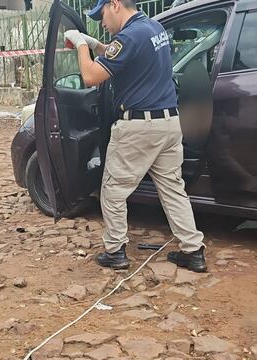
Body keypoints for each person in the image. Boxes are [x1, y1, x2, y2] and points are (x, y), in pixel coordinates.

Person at [64, 0, 207, 272]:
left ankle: (115, 251)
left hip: (139, 128)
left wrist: (80, 45)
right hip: (169, 123)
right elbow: (121, 56)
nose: (102, 22)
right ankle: (193, 250)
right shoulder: (153, 28)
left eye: (102, 15)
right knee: (173, 190)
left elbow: (91, 77)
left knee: (113, 191)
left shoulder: (129, 36)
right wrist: (95, 44)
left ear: (115, 4)